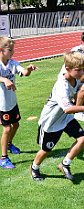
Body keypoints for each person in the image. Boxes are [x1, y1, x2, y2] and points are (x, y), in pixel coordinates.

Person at [30, 51, 84, 181]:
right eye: (78, 70)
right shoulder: (61, 86)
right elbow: (68, 109)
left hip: (65, 118)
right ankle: (34, 167)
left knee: (82, 139)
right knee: (46, 150)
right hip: (51, 122)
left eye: (82, 69)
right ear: (67, 69)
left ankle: (65, 164)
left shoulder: (75, 78)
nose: (81, 73)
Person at [0, 36, 37, 169]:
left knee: (16, 125)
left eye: (13, 49)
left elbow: (24, 72)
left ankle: (9, 144)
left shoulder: (12, 63)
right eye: (10, 50)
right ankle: (3, 158)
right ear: (1, 50)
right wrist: (4, 80)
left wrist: (29, 69)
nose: (13, 52)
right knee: (7, 128)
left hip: (12, 102)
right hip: (1, 104)